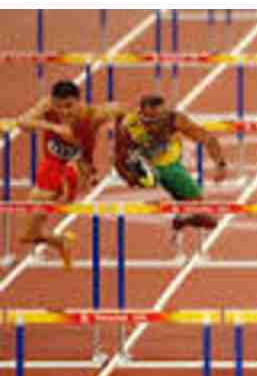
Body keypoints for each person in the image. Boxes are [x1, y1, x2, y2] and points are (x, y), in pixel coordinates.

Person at [17, 80, 122, 269]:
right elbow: (22, 122)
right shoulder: (46, 106)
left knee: (71, 178)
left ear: (79, 102)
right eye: (59, 107)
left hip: (80, 166)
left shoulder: (93, 114)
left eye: (69, 106)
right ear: (52, 102)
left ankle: (69, 187)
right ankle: (61, 241)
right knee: (26, 235)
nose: (64, 112)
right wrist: (53, 127)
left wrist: (120, 146)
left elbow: (122, 110)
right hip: (51, 166)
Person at [114, 94, 228, 232]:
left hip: (170, 160)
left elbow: (206, 137)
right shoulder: (128, 124)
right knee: (202, 211)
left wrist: (220, 163)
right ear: (143, 110)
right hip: (159, 166)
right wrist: (126, 176)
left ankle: (183, 215)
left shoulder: (173, 118)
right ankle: (184, 215)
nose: (158, 120)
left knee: (198, 208)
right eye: (154, 116)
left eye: (161, 114)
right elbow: (118, 155)